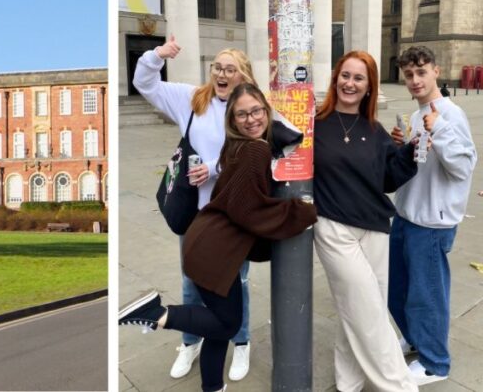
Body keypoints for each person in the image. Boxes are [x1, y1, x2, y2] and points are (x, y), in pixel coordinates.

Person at [118, 83, 317, 392]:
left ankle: (213, 386)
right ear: (232, 119)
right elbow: (247, 209)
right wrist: (300, 212)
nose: (251, 119)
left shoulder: (236, 145)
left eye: (257, 111)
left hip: (205, 242)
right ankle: (156, 314)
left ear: (267, 110)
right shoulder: (255, 149)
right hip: (215, 251)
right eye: (242, 114)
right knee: (227, 323)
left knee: (217, 325)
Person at [132, 35, 255, 380]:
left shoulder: (249, 107)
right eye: (217, 66)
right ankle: (190, 342)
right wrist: (158, 54)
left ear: (243, 75)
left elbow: (261, 153)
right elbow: (145, 83)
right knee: (191, 282)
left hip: (234, 215)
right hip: (196, 214)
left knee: (238, 282)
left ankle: (241, 343)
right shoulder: (193, 99)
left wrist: (216, 167)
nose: (221, 73)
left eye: (230, 69)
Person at [313, 51, 419, 392]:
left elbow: (387, 180)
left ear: (370, 87)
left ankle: (349, 383)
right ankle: (400, 386)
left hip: (375, 229)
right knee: (369, 313)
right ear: (335, 78)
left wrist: (409, 153)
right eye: (346, 75)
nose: (350, 83)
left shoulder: (376, 132)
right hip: (333, 228)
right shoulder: (314, 123)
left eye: (359, 78)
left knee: (355, 312)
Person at [389, 46, 476, 386]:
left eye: (421, 72)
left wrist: (439, 129)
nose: (415, 80)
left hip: (432, 222)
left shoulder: (450, 114)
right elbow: (422, 162)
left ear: (436, 71)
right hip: (407, 214)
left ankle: (435, 363)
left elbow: (463, 166)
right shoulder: (416, 115)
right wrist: (403, 146)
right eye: (409, 74)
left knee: (427, 295)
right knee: (398, 289)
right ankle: (414, 339)